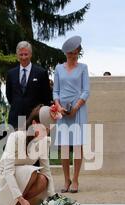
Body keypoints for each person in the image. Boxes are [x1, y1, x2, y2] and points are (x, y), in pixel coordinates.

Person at [0, 105, 56, 205]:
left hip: (23, 178)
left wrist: (54, 200)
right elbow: (8, 171)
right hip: (3, 179)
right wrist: (20, 198)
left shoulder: (45, 141)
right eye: (44, 128)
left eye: (49, 129)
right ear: (34, 123)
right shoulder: (16, 137)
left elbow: (46, 171)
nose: (47, 132)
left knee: (43, 179)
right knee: (32, 172)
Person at [53, 36, 90, 194]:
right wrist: (59, 107)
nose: (72, 56)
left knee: (76, 146)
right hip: (62, 111)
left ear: (78, 52)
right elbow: (56, 91)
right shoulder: (58, 68)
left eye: (74, 53)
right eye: (69, 53)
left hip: (78, 110)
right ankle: (66, 179)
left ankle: (75, 179)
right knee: (64, 147)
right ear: (65, 53)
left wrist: (76, 107)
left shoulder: (83, 68)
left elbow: (86, 90)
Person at [6, 41, 52, 129]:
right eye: (21, 54)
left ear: (30, 54)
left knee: (34, 143)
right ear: (17, 55)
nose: (23, 57)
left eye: (26, 54)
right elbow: (9, 96)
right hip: (15, 118)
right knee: (16, 142)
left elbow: (46, 97)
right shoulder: (11, 73)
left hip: (35, 119)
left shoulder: (41, 73)